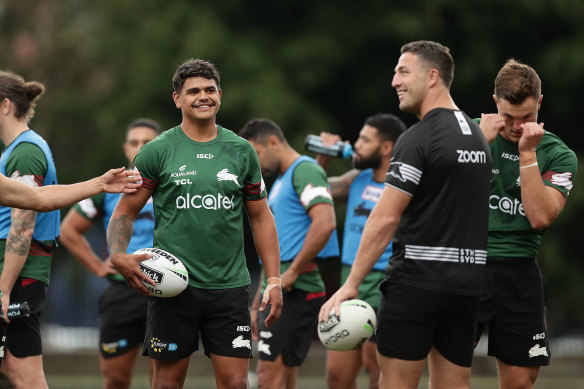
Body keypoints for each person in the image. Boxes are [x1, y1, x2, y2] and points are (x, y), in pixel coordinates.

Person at [319, 40, 492, 389]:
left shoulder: (417, 138)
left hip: (416, 283)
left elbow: (385, 218)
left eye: (402, 72)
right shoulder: (477, 136)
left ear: (432, 77)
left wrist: (350, 285)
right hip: (467, 286)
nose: (394, 81)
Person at [106, 59, 283, 389]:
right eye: (193, 91)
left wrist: (273, 278)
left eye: (209, 90)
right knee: (166, 385)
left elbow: (261, 217)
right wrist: (118, 254)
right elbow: (124, 213)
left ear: (220, 95)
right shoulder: (157, 151)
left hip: (229, 289)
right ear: (177, 99)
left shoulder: (242, 151)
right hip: (172, 289)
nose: (203, 97)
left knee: (236, 384)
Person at [0, 70, 141, 389]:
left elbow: (36, 199)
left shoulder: (25, 150)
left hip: (18, 273)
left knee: (22, 373)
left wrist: (99, 183)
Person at [475, 59, 577, 389]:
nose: (518, 126)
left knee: (520, 383)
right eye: (509, 117)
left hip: (519, 274)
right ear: (494, 104)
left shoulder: (557, 154)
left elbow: (540, 216)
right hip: (465, 267)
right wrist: (478, 146)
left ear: (540, 103)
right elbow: (440, 200)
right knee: (449, 378)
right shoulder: (468, 136)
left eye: (528, 117)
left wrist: (527, 155)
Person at [59, 118, 161, 389]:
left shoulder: (174, 185)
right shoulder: (112, 188)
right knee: (115, 380)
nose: (140, 147)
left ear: (160, 146)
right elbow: (68, 231)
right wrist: (96, 266)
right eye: (134, 142)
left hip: (165, 294)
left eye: (148, 142)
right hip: (121, 292)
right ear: (125, 148)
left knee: (163, 382)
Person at [239, 118, 339, 389]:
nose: (254, 164)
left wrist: (292, 273)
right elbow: (276, 248)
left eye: (256, 154)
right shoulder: (286, 178)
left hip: (296, 290)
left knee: (267, 379)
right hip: (284, 290)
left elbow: (325, 222)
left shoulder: (302, 169)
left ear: (273, 142)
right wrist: (257, 300)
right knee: (284, 380)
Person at [314, 113, 406, 389]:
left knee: (377, 375)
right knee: (336, 378)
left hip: (385, 283)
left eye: (365, 140)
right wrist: (323, 158)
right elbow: (315, 194)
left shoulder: (404, 185)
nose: (357, 145)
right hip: (349, 282)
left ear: (386, 147)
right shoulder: (356, 178)